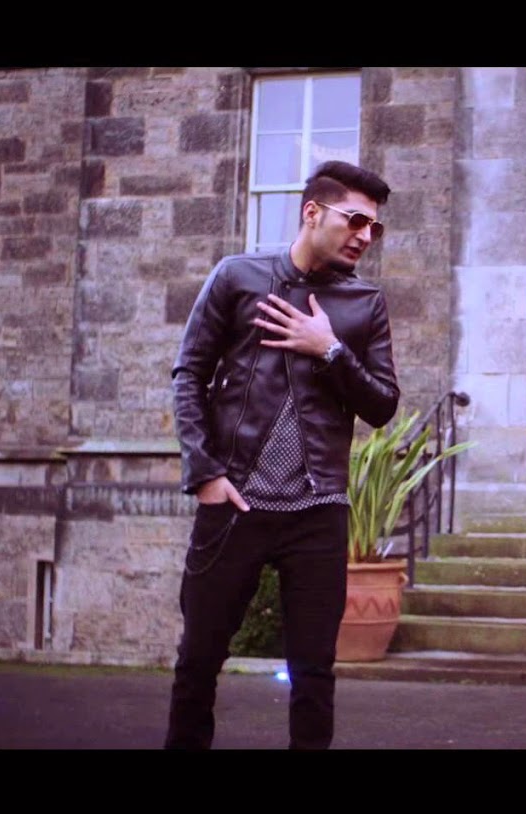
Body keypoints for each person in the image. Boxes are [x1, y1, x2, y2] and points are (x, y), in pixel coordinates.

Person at [165, 160, 399, 750]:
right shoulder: (237, 277)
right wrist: (206, 474)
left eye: (374, 227)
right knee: (197, 662)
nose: (365, 236)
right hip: (234, 503)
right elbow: (189, 373)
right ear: (312, 212)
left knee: (314, 676)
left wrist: (330, 349)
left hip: (318, 513)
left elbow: (382, 405)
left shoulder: (365, 303)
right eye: (355, 220)